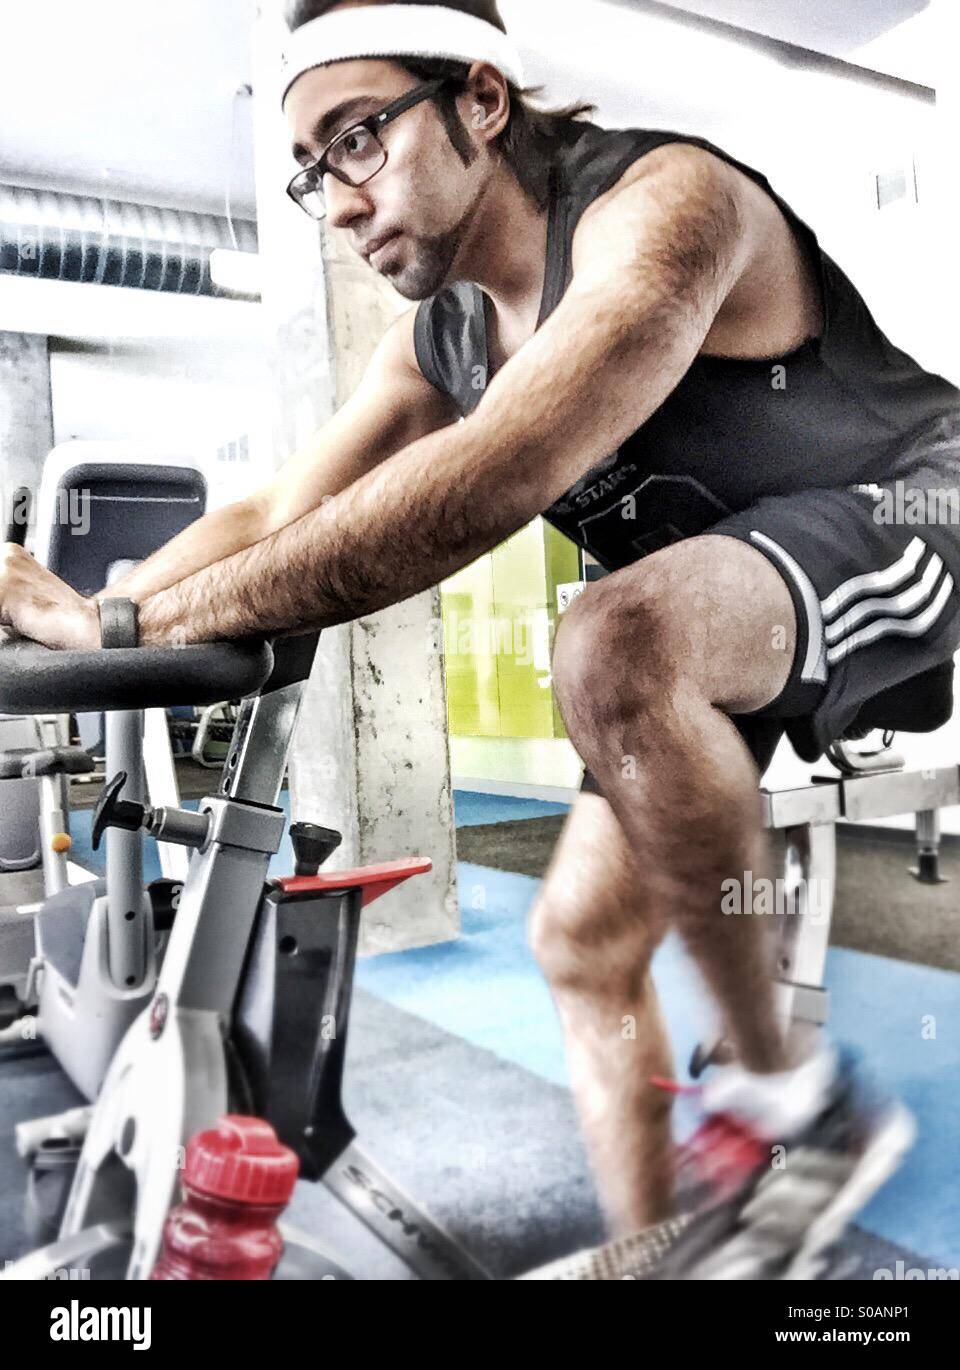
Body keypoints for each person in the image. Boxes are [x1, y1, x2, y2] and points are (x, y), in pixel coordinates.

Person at [2, 0, 956, 1278]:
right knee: (578, 942)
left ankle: (804, 1111)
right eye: (311, 170)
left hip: (909, 508)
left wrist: (146, 619)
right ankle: (677, 1250)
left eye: (358, 140)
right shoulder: (442, 335)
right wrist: (97, 618)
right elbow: (286, 509)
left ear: (482, 102)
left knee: (609, 637)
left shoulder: (668, 206)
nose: (337, 201)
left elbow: (496, 475)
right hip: (710, 616)